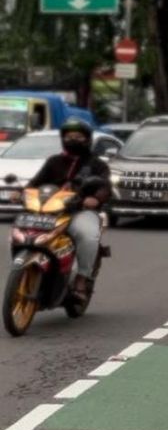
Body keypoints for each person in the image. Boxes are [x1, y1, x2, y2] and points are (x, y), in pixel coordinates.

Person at [28, 118, 110, 302]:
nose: (73, 139)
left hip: (80, 212)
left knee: (88, 235)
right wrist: (22, 193)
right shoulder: (54, 161)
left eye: (78, 137)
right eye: (69, 136)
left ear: (87, 140)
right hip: (49, 211)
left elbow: (105, 187)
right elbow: (35, 183)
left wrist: (95, 199)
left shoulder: (97, 165)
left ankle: (82, 278)